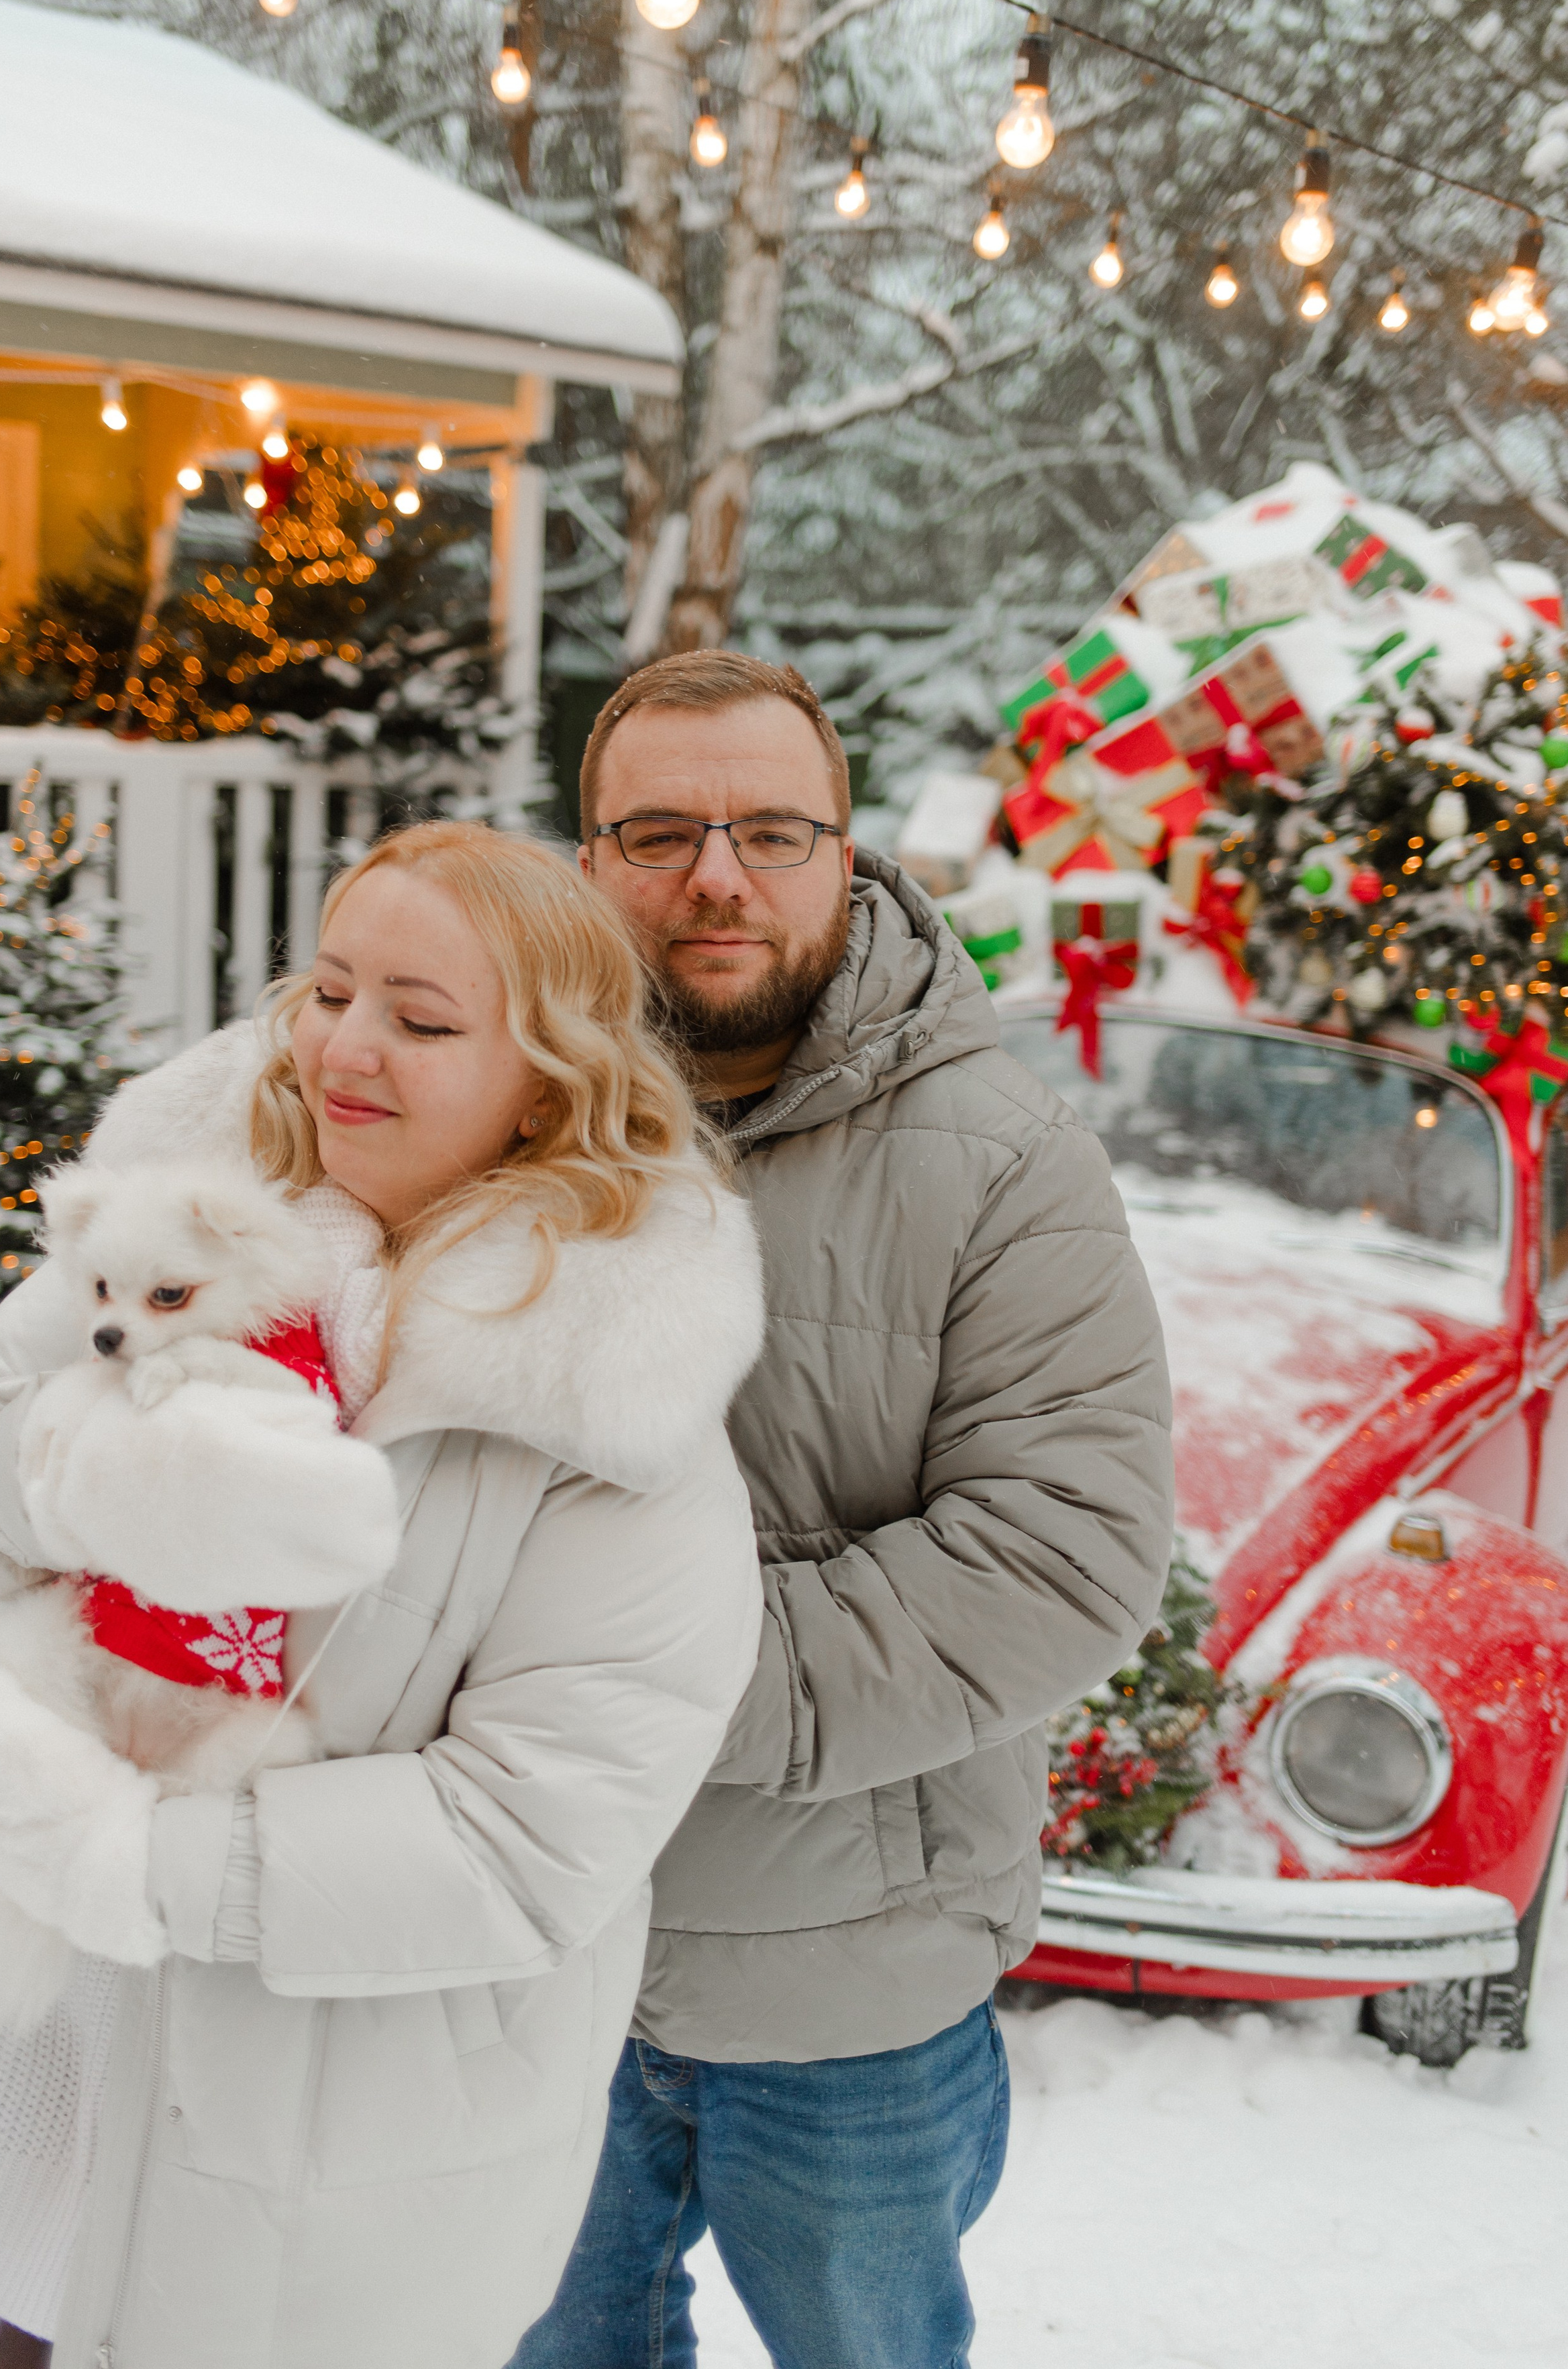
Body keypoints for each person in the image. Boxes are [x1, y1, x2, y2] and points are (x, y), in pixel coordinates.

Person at [0, 821, 768, 2369]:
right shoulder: (200, 1217)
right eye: (329, 989)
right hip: (71, 2030)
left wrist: (133, 1855)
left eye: (418, 1021)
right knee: (37, 2323)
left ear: (545, 1077)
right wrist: (69, 1478)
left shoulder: (608, 1396)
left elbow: (532, 1838)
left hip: (328, 2119)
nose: (344, 1046)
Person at [515, 651, 1175, 2369]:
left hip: (850, 1989)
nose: (714, 876)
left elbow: (1062, 1554)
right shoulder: (488, 1112)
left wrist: (625, 1688)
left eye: (768, 830)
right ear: (585, 860)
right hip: (524, 1947)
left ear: (849, 852)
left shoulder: (1002, 1157)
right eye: (655, 832)